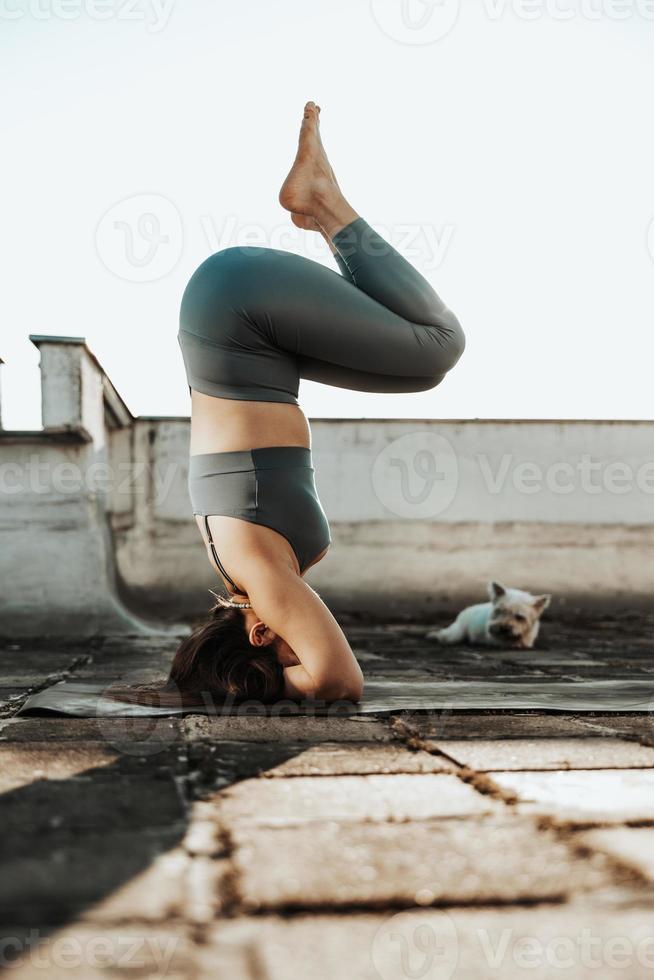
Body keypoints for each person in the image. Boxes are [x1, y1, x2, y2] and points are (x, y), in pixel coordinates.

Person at [168, 101, 465, 705]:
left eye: (282, 652)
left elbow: (337, 681)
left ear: (257, 631)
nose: (303, 637)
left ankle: (323, 200)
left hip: (237, 311)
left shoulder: (264, 583)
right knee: (422, 372)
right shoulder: (250, 570)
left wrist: (283, 686)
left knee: (438, 345)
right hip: (250, 340)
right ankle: (321, 202)